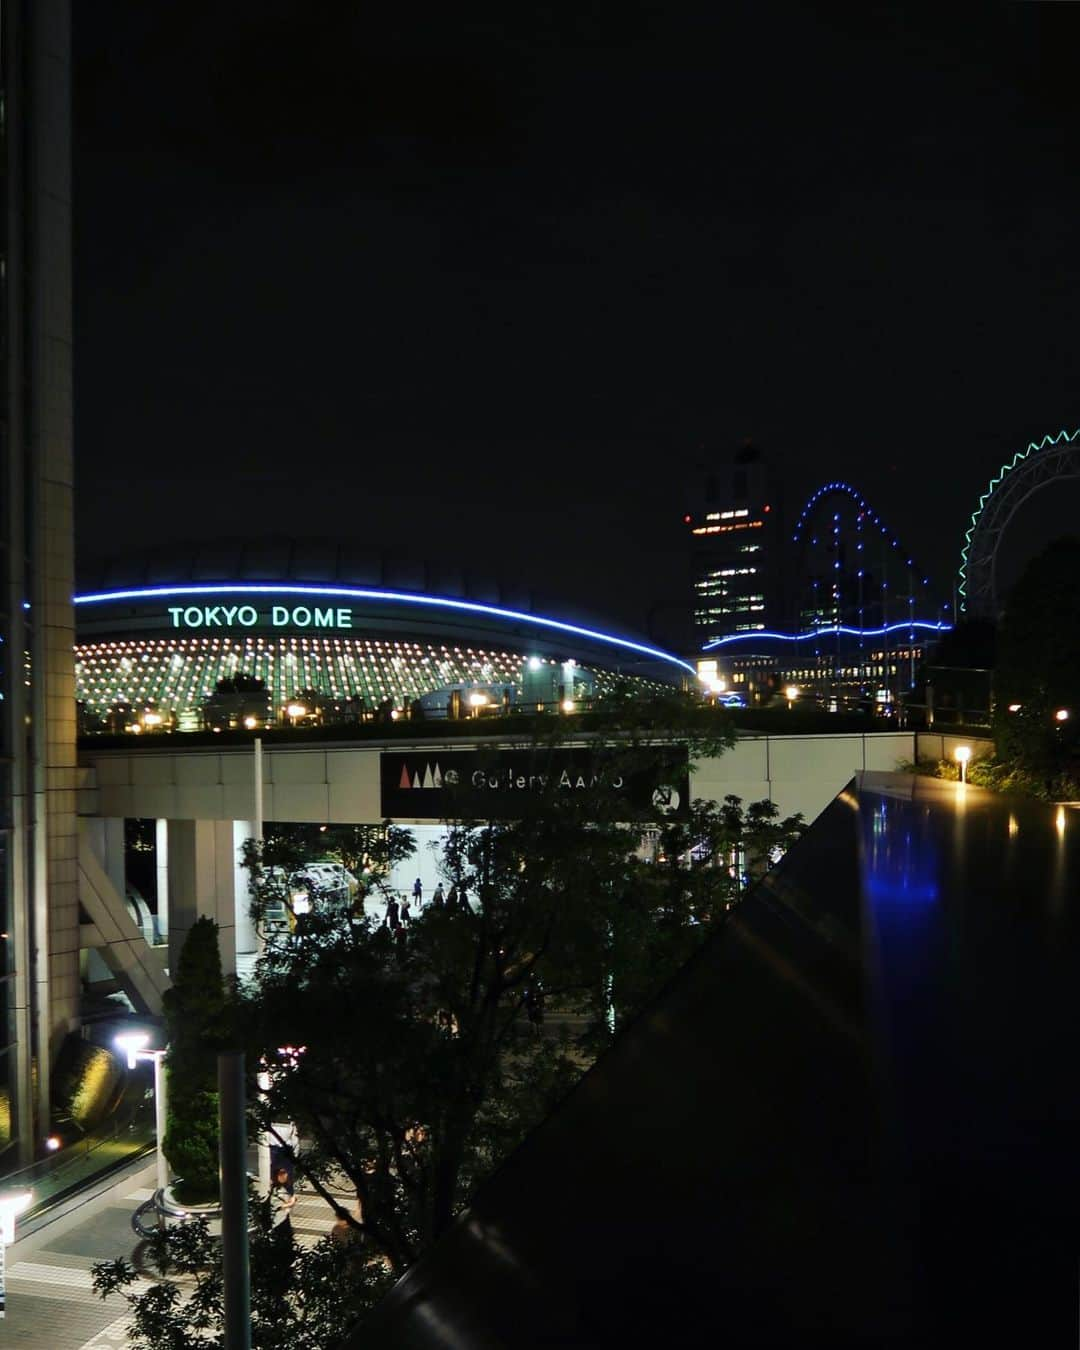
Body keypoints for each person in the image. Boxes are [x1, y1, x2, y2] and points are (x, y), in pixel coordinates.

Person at [270, 1166, 296, 1240]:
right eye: (282, 1174)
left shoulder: (282, 1187)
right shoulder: (276, 1189)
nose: (285, 1175)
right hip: (279, 1219)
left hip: (283, 1217)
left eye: (285, 1173)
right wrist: (292, 1202)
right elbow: (278, 1206)